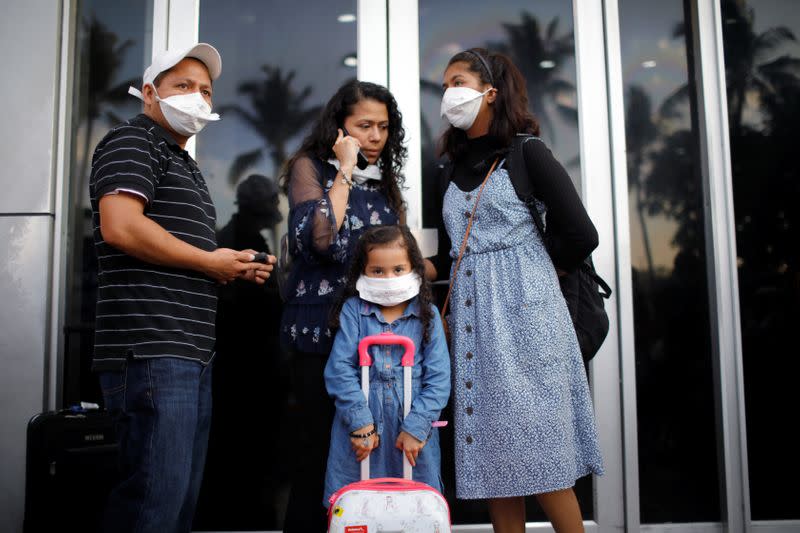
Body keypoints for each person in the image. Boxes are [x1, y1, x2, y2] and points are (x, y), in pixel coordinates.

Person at [89, 43, 275, 533]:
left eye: (206, 91)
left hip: (187, 352)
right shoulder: (134, 141)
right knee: (150, 507)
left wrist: (230, 265)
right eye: (183, 86)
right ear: (150, 93)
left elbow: (180, 252)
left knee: (175, 509)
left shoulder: (181, 161)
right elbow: (121, 227)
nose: (197, 97)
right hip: (152, 348)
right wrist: (208, 260)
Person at [434, 47, 604, 532]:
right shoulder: (447, 168)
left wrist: (538, 272)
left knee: (545, 459)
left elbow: (581, 233)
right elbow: (451, 253)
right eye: (445, 84)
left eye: (459, 81)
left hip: (529, 322)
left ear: (490, 92)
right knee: (493, 466)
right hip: (474, 330)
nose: (450, 93)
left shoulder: (527, 152)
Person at [280, 80, 407, 531]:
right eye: (364, 126)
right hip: (319, 332)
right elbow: (319, 237)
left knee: (368, 454)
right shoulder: (309, 167)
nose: (375, 136)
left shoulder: (385, 181)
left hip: (372, 337)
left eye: (384, 127)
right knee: (315, 455)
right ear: (340, 128)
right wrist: (346, 169)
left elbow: (398, 254)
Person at [323, 225, 450, 506]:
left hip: (413, 437)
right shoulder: (354, 311)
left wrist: (417, 427)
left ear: (414, 269)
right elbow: (339, 369)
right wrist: (361, 424)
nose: (388, 278)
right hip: (361, 435)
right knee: (357, 506)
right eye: (377, 271)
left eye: (398, 269)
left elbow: (439, 378)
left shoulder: (426, 315)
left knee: (415, 509)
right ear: (363, 272)